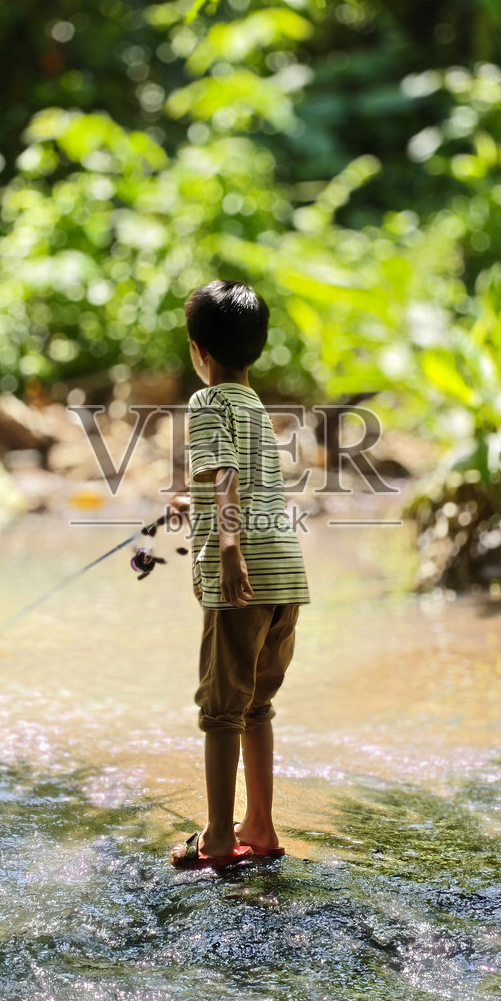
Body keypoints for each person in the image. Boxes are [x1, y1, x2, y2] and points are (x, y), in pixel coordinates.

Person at [166, 280, 309, 870]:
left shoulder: (205, 405)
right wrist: (190, 507)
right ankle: (262, 826)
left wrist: (227, 549)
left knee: (221, 712)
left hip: (242, 583)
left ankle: (219, 840)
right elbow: (242, 483)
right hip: (286, 581)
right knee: (257, 707)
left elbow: (224, 475)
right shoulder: (255, 409)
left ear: (199, 351)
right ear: (258, 347)